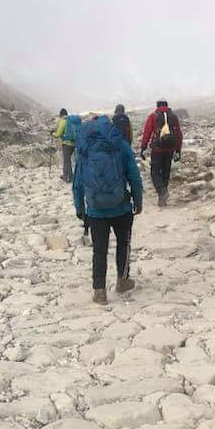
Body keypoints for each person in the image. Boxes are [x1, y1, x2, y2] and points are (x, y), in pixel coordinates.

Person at [73, 115, 144, 304]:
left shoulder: (84, 149)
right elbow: (134, 176)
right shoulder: (120, 145)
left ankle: (99, 291)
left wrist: (80, 208)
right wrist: (138, 200)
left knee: (99, 250)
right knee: (123, 244)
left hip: (95, 210)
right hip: (121, 207)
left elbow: (78, 182)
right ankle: (122, 280)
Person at [138, 99, 182, 207]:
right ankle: (162, 199)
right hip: (170, 149)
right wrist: (178, 150)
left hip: (157, 149)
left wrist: (143, 148)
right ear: (167, 105)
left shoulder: (153, 116)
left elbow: (147, 133)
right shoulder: (174, 117)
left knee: (155, 173)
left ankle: (162, 192)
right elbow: (178, 134)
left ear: (157, 106)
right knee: (165, 173)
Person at [51, 108, 81, 182]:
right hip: (75, 143)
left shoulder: (63, 121)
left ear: (60, 115)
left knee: (66, 161)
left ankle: (67, 177)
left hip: (66, 143)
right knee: (72, 160)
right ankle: (71, 176)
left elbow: (58, 134)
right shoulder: (71, 121)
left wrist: (52, 133)